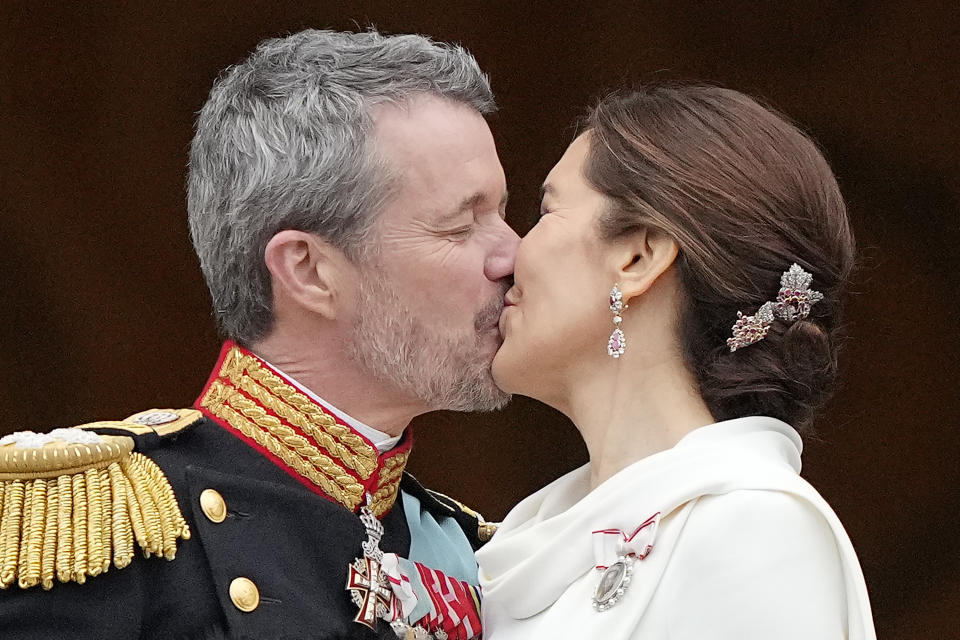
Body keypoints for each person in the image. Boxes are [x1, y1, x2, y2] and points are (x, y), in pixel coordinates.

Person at [0, 29, 518, 639]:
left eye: (503, 214)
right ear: (308, 270)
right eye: (461, 225)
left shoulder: (471, 549)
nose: (514, 255)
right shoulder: (96, 527)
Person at [476, 85, 877, 639]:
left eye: (545, 211)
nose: (507, 256)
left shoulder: (756, 528)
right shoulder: (525, 538)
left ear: (638, 257)